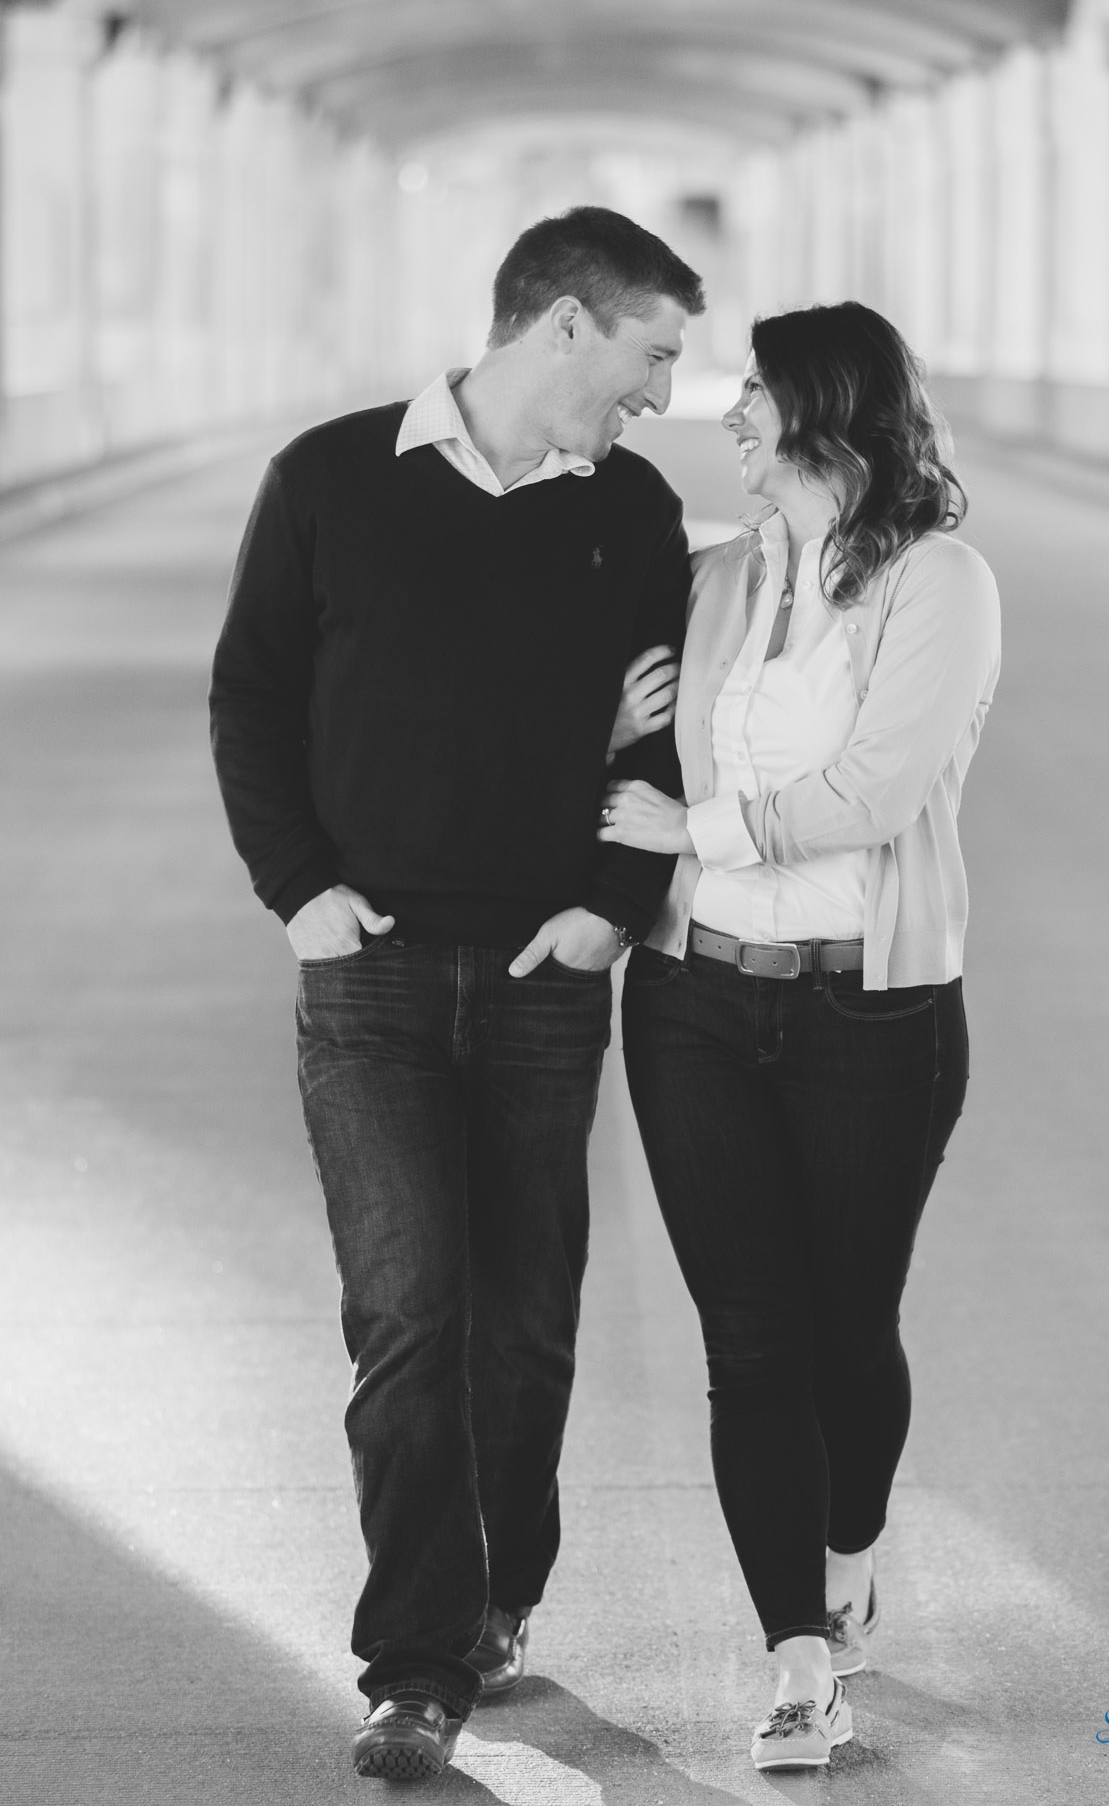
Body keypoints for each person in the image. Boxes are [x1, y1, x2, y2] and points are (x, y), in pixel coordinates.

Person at [208, 206, 703, 1781]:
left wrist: (609, 916)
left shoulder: (631, 510)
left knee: (526, 1327)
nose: (659, 396)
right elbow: (254, 691)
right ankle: (414, 1661)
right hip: (368, 974)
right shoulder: (332, 477)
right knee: (408, 1316)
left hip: (546, 975)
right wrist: (300, 890)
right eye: (650, 356)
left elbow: (663, 746)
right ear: (562, 326)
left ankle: (500, 1596)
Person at [598, 301, 1001, 1772]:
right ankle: (795, 1660)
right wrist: (611, 727)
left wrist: (691, 825)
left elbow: (874, 795)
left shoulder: (940, 586)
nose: (731, 418)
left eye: (754, 394)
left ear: (826, 410)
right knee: (749, 1342)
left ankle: (848, 1549)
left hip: (869, 1008)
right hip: (694, 999)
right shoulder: (710, 583)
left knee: (847, 1328)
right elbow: (633, 742)